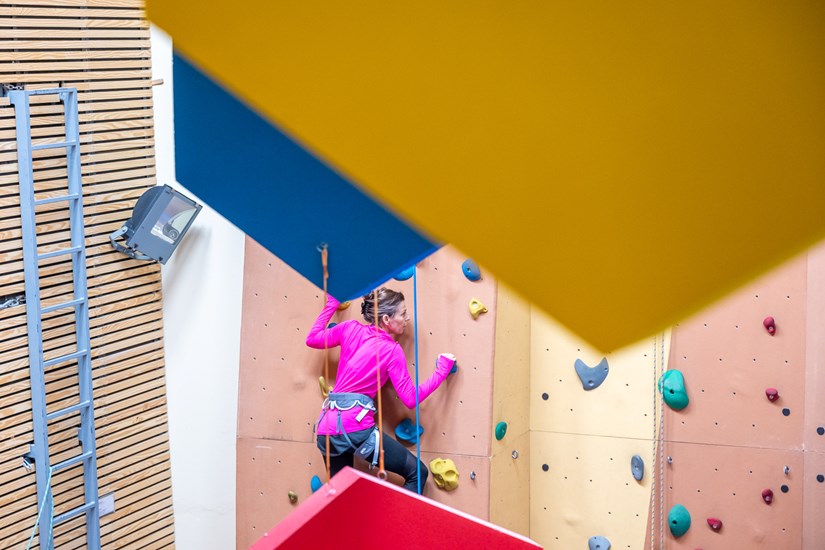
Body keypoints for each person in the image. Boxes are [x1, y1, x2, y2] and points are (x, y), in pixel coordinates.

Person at [306, 287, 456, 492]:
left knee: (344, 498)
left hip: (326, 428)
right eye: (403, 313)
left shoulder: (349, 328)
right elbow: (410, 399)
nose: (407, 318)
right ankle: (396, 516)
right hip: (355, 427)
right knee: (417, 473)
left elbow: (312, 338)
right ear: (386, 319)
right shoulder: (392, 351)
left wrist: (332, 303)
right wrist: (442, 371)